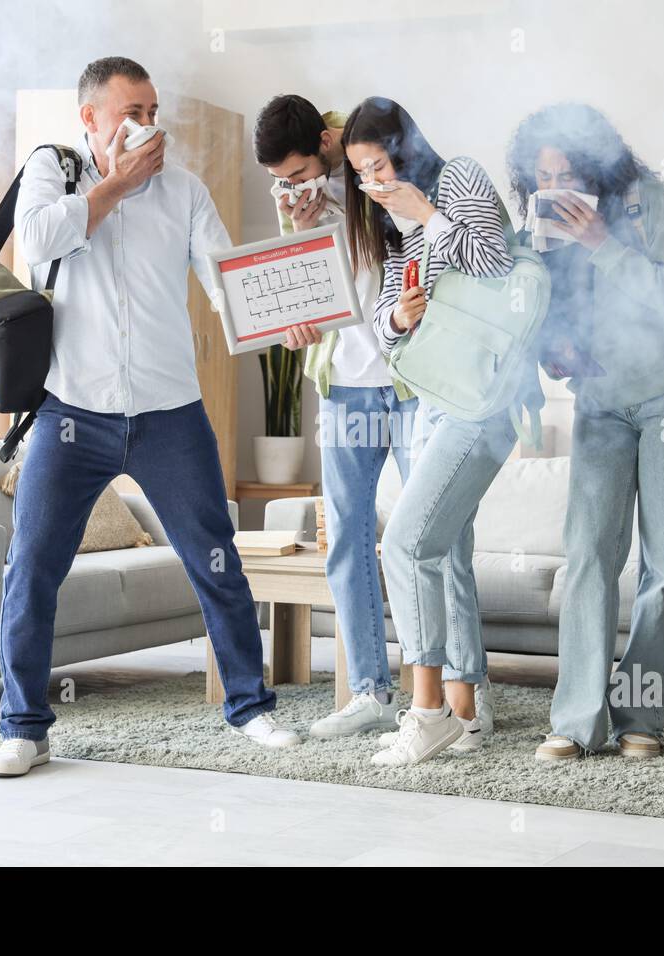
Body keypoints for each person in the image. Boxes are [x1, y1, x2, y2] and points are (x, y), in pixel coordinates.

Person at [0, 56, 300, 777]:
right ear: (91, 119)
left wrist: (277, 315)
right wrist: (118, 187)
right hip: (73, 414)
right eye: (133, 112)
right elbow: (34, 244)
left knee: (216, 560)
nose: (148, 125)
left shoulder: (183, 191)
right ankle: (24, 728)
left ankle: (251, 708)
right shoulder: (52, 175)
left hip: (169, 413)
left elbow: (222, 278)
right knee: (31, 566)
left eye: (153, 112)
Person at [506, 104, 664, 762]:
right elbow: (550, 317)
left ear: (597, 165)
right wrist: (551, 348)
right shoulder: (542, 224)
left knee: (663, 566)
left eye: (566, 172)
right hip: (599, 401)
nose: (554, 187)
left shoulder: (649, 201)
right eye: (540, 176)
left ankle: (643, 720)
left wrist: (603, 243)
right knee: (588, 557)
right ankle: (575, 722)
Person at [341, 97, 531, 766]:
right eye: (361, 173)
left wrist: (424, 213)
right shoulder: (391, 220)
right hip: (431, 397)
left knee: (409, 544)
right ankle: (465, 716)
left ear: (405, 149)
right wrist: (398, 316)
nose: (373, 183)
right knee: (442, 552)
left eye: (378, 165)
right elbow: (391, 337)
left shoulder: (459, 181)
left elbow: (496, 266)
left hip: (483, 397)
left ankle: (427, 715)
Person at [252, 95, 418, 737]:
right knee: (346, 536)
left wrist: (348, 195)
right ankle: (371, 692)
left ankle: (457, 686)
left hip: (406, 384)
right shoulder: (299, 205)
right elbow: (310, 297)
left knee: (424, 536)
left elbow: (413, 243)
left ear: (326, 144)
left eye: (296, 174)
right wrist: (297, 227)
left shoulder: (381, 168)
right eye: (279, 182)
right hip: (345, 385)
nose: (290, 188)